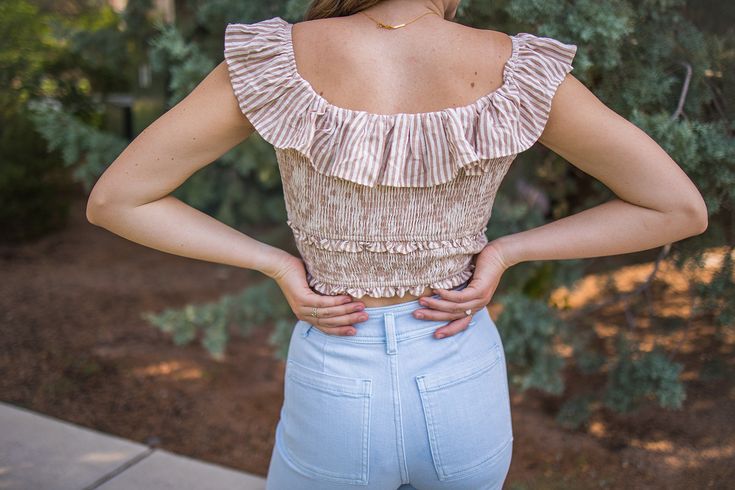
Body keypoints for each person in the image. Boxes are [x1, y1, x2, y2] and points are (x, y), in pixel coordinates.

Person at [85, 0, 708, 488]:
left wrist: (275, 263)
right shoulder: (515, 68)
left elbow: (118, 200)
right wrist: (504, 252)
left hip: (336, 365)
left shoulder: (279, 59)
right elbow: (677, 208)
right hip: (460, 366)